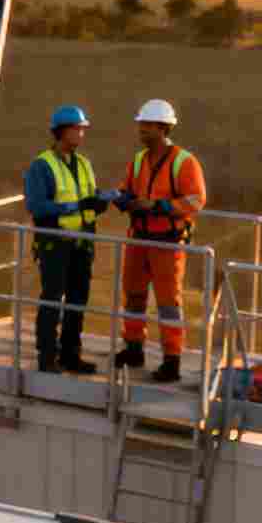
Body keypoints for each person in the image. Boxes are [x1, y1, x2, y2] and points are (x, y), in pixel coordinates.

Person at [116, 98, 207, 384]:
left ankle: (172, 360)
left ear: (163, 128)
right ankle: (133, 348)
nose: (141, 130)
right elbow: (125, 189)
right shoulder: (138, 160)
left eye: (147, 125)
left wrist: (158, 207)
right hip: (138, 239)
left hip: (167, 243)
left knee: (168, 303)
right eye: (141, 124)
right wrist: (124, 201)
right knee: (133, 295)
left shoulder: (184, 161)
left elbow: (196, 200)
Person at [22, 104, 106, 375]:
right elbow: (37, 206)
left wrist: (100, 202)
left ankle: (71, 355)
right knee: (52, 299)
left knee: (77, 300)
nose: (82, 133)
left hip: (81, 243)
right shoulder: (42, 165)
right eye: (77, 129)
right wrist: (74, 207)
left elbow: (87, 198)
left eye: (82, 129)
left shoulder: (83, 164)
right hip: (55, 243)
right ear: (62, 131)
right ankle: (47, 357)